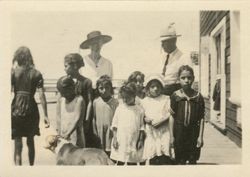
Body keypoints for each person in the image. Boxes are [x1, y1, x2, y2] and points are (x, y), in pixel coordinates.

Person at [11, 46, 50, 165]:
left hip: (16, 109)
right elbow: (42, 95)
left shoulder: (13, 72)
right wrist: (46, 115)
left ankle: (18, 169)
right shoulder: (36, 73)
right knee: (30, 141)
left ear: (17, 57)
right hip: (31, 109)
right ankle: (31, 167)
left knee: (18, 144)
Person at [169, 65, 205, 165]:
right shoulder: (175, 96)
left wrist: (200, 137)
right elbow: (172, 116)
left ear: (193, 78)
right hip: (179, 132)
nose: (186, 80)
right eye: (183, 78)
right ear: (178, 79)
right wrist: (172, 136)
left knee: (192, 160)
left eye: (189, 78)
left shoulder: (198, 97)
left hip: (193, 133)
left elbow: (201, 118)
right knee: (180, 160)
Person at [110, 82, 145, 165]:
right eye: (123, 98)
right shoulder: (120, 108)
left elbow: (142, 127)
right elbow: (115, 125)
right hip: (121, 139)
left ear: (134, 96)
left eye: (128, 97)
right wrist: (115, 138)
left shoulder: (139, 110)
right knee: (120, 159)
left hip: (134, 139)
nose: (125, 100)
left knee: (132, 161)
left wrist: (140, 140)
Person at [62, 53, 92, 147]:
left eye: (66, 66)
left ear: (74, 66)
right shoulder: (64, 82)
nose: (64, 69)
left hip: (80, 119)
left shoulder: (86, 82)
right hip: (68, 118)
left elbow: (90, 101)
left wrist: (87, 120)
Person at [141, 74, 172, 165]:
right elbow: (141, 114)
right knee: (153, 154)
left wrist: (161, 121)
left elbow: (170, 113)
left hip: (163, 130)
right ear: (148, 88)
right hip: (151, 132)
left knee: (164, 154)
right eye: (152, 87)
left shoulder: (166, 99)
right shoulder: (145, 101)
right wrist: (145, 119)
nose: (155, 89)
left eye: (158, 86)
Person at [160, 23, 192, 96]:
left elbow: (187, 83)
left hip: (176, 97)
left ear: (174, 41)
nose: (162, 45)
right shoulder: (163, 58)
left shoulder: (184, 58)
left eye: (164, 42)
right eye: (161, 42)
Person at [92, 75, 119, 156]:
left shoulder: (115, 102)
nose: (104, 91)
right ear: (97, 89)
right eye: (101, 88)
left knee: (110, 153)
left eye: (107, 88)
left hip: (110, 132)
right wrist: (94, 131)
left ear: (111, 88)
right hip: (99, 132)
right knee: (100, 153)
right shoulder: (96, 102)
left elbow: (117, 120)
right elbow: (93, 118)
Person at [56, 76, 86, 147]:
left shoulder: (79, 100)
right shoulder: (61, 100)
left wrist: (68, 133)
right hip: (63, 134)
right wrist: (59, 131)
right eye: (61, 93)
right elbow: (58, 116)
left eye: (65, 92)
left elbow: (77, 119)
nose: (63, 95)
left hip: (75, 134)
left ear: (72, 88)